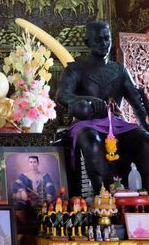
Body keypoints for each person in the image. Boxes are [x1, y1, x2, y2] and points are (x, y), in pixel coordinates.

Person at [56, 21, 149, 193]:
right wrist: (87, 99)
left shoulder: (120, 70)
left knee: (144, 139)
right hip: (87, 123)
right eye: (98, 40)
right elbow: (62, 95)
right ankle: (103, 196)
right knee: (92, 141)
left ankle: (143, 196)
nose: (103, 43)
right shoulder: (75, 69)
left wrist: (146, 126)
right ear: (87, 43)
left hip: (117, 124)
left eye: (106, 39)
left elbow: (137, 104)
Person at [12, 155, 57, 224]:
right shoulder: (24, 176)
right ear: (28, 164)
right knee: (20, 204)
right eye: (30, 162)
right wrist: (22, 190)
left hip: (42, 201)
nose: (32, 164)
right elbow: (15, 185)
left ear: (38, 163)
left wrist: (48, 197)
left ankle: (44, 224)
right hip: (29, 202)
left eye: (34, 162)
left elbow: (50, 187)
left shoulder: (45, 175)